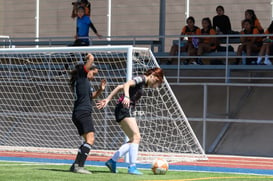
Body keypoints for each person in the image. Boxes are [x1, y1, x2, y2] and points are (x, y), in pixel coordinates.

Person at [96, 67, 164, 175]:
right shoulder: (141, 78)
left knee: (133, 139)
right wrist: (126, 96)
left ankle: (112, 161)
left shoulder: (142, 83)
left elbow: (119, 87)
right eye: (156, 81)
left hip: (123, 109)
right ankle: (132, 167)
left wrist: (108, 99)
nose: (155, 84)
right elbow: (127, 84)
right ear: (152, 75)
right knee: (136, 137)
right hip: (124, 109)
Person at [69, 53, 107, 174]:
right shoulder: (81, 76)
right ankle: (79, 167)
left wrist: (100, 89)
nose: (94, 76)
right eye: (93, 73)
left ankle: (75, 165)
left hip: (78, 113)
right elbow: (88, 63)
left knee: (87, 140)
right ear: (87, 70)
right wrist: (90, 57)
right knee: (91, 139)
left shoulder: (83, 82)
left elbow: (92, 96)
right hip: (83, 112)